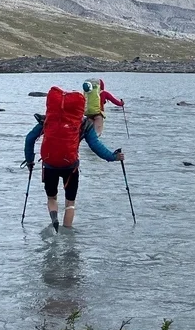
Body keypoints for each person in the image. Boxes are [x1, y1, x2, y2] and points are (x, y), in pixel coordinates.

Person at [23, 86, 125, 231]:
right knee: (70, 203)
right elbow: (96, 146)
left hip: (49, 164)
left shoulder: (48, 120)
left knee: (52, 198)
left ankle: (54, 220)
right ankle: (68, 236)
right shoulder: (84, 124)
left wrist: (30, 161)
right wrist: (113, 157)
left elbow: (29, 139)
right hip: (70, 166)